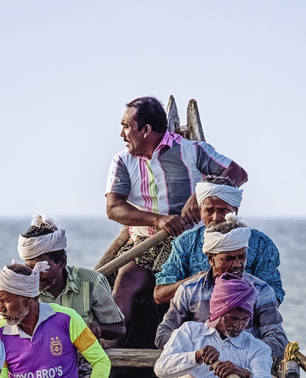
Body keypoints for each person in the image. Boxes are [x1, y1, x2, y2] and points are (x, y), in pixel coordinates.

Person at [104, 96, 248, 337]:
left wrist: (202, 192)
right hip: (143, 244)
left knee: (197, 287)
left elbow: (238, 173)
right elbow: (114, 208)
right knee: (124, 280)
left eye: (126, 126)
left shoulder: (191, 151)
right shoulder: (122, 161)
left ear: (146, 130)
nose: (122, 133)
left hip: (192, 242)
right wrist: (158, 220)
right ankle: (111, 354)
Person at [156, 220, 288, 362]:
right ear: (210, 259)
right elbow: (163, 334)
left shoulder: (262, 291)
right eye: (229, 259)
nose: (238, 264)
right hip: (197, 375)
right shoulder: (188, 291)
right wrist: (200, 353)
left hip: (245, 375)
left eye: (242, 257)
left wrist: (244, 356)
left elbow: (277, 339)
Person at [153, 179, 284, 306]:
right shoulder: (185, 242)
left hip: (245, 323)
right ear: (201, 212)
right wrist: (197, 281)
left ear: (235, 211)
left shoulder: (261, 244)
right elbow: (160, 294)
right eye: (209, 211)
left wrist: (237, 298)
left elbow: (274, 295)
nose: (215, 217)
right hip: (195, 324)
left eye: (223, 210)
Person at [18, 215, 125, 346]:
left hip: (83, 361)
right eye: (29, 267)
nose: (35, 274)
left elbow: (119, 329)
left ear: (62, 261)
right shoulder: (21, 289)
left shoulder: (92, 282)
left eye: (42, 267)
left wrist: (96, 329)